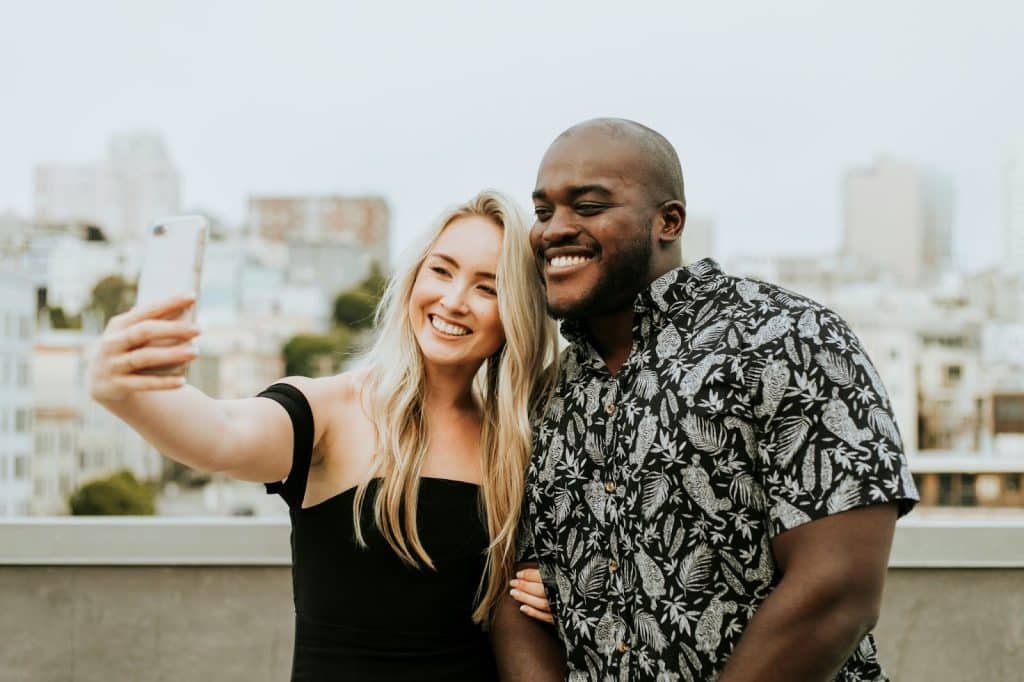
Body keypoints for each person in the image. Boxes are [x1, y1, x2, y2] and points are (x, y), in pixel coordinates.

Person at [500, 119, 920, 681]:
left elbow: (838, 592)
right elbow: (518, 591)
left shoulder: (788, 337)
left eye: (590, 206)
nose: (554, 230)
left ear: (668, 221)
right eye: (545, 211)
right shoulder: (546, 394)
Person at [89, 190, 562, 681]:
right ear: (414, 278)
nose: (453, 300)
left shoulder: (519, 442)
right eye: (441, 270)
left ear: (517, 315)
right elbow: (221, 436)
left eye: (488, 288)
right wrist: (130, 393)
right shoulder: (330, 410)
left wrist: (560, 596)